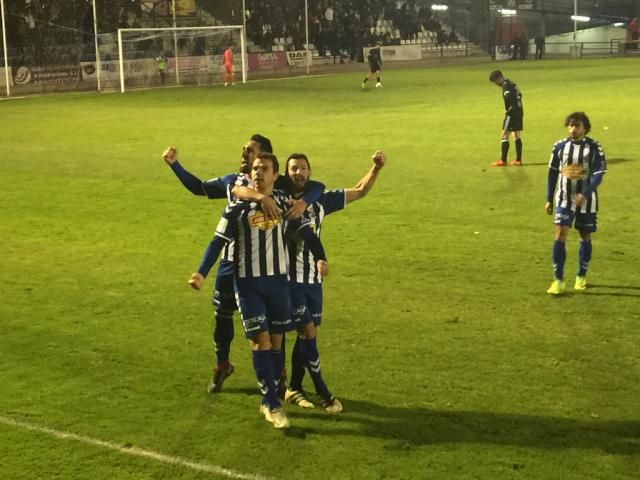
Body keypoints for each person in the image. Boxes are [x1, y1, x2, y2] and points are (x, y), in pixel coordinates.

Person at [204, 152, 329, 428]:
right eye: (255, 168)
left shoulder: (285, 202)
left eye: (264, 168)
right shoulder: (237, 207)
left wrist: (321, 256)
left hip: (279, 285)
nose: (258, 172)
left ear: (275, 175)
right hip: (248, 284)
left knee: (274, 343)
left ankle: (269, 398)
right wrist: (201, 273)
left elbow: (308, 226)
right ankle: (271, 402)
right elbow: (217, 240)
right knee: (259, 341)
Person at [163, 135, 277, 394]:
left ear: (264, 158)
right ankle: (222, 364)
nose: (244, 152)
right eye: (244, 148)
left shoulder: (276, 183)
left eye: (250, 150)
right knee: (222, 316)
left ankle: (277, 374)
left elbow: (311, 190)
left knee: (269, 325)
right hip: (230, 262)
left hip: (264, 266)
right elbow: (199, 187)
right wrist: (175, 165)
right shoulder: (232, 182)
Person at [283, 150, 386, 414]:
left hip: (314, 280)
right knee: (308, 333)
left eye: (303, 168)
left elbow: (360, 190)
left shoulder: (320, 200)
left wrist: (376, 168)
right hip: (289, 280)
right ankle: (323, 392)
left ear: (310, 171)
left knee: (306, 334)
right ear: (287, 172)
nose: (299, 172)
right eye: (293, 168)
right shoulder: (280, 200)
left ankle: (293, 387)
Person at [545, 112, 607, 295]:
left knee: (585, 236)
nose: (573, 129)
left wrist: (585, 194)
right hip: (564, 198)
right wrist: (549, 198)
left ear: (585, 128)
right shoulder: (559, 146)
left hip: (587, 200)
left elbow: (598, 174)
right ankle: (558, 279)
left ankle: (581, 275)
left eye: (577, 126)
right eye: (570, 125)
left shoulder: (594, 147)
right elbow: (552, 173)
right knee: (560, 234)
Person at [489, 70, 524, 166]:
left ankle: (503, 160)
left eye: (495, 82)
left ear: (499, 78)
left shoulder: (506, 87)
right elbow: (520, 95)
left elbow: (508, 96)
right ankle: (518, 160)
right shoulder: (512, 83)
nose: (496, 84)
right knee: (516, 135)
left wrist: (508, 109)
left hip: (512, 114)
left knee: (504, 135)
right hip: (519, 112)